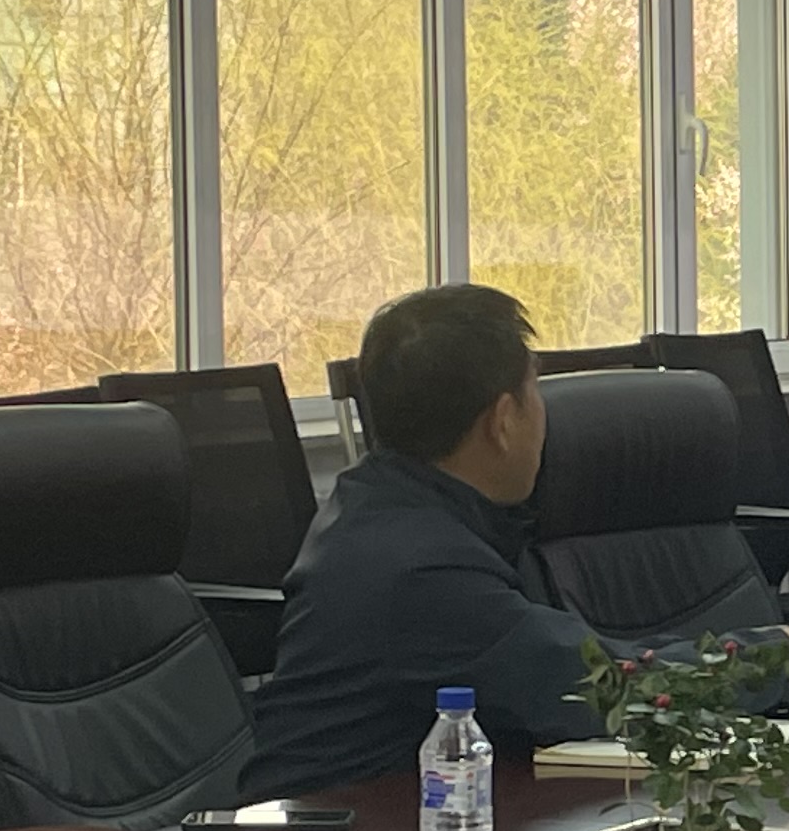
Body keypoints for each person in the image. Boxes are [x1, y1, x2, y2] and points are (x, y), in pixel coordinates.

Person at [243, 285, 597, 799]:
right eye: (535, 390)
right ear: (502, 421)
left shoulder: (381, 502)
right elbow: (591, 687)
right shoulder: (419, 568)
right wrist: (727, 665)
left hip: (395, 818)